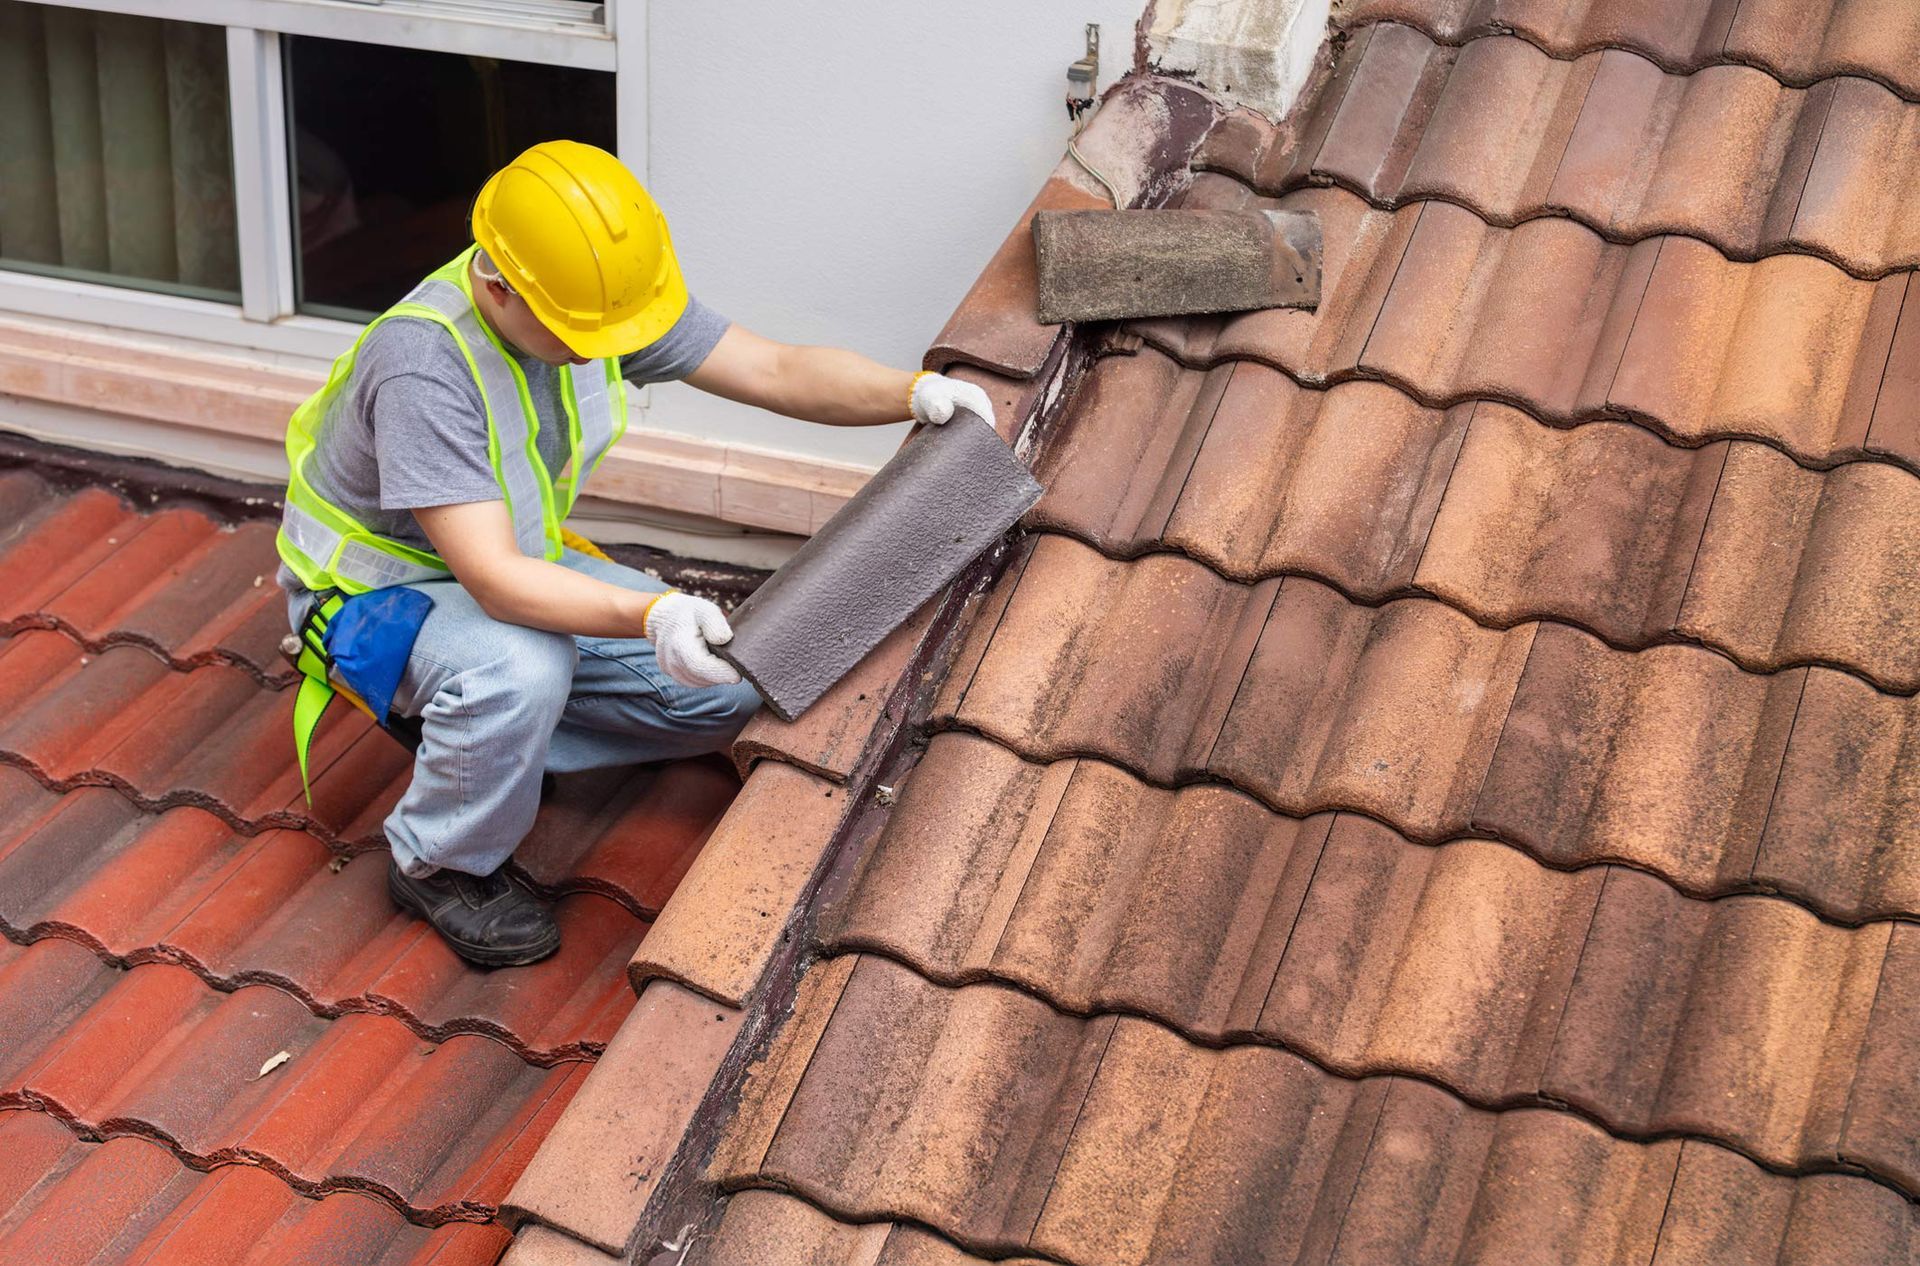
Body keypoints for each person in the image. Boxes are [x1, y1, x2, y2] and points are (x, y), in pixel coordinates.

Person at [275, 140, 993, 966]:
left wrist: (912, 393)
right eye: (583, 334)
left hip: (509, 564)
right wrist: (648, 611)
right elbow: (496, 582)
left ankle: (491, 737)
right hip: (377, 599)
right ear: (497, 288)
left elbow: (772, 366)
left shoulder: (589, 297)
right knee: (520, 670)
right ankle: (439, 858)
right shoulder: (423, 367)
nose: (602, 347)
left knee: (724, 690)